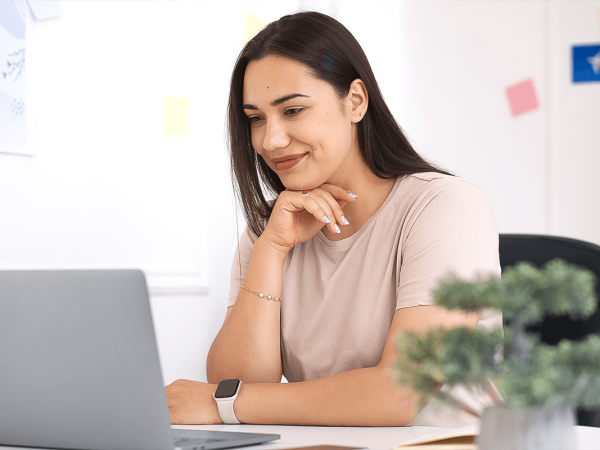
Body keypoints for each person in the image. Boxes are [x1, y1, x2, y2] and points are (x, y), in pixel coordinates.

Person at [165, 11, 502, 427]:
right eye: (256, 118)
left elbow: (398, 393)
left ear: (355, 101)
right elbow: (237, 383)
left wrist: (222, 404)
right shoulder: (272, 228)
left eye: (292, 110)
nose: (270, 140)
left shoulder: (445, 207)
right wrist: (272, 248)